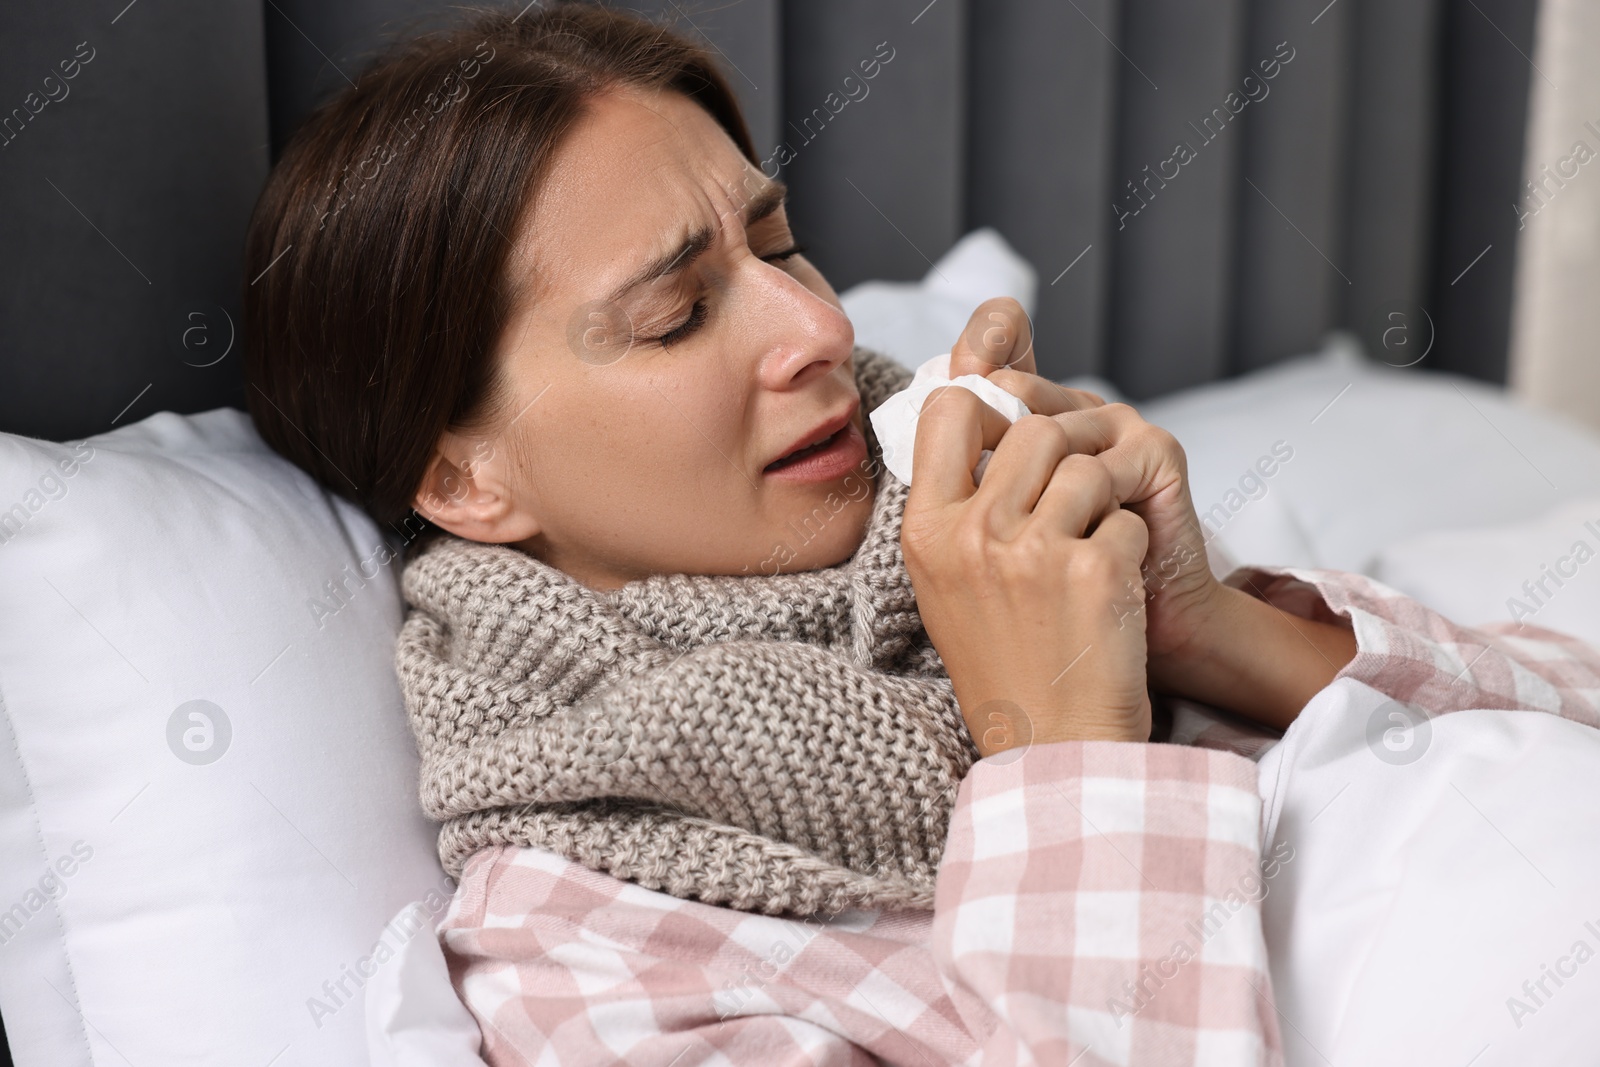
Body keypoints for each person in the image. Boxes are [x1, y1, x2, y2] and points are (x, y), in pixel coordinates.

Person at [241, 5, 1600, 1063]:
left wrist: (1225, 634)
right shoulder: (593, 955)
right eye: (675, 316)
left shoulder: (1049, 563)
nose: (823, 330)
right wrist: (1061, 748)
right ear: (465, 482)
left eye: (777, 247)